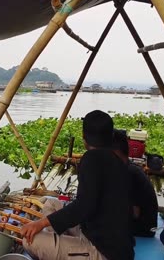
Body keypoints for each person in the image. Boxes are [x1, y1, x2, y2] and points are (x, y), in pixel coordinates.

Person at [21, 110, 134, 260]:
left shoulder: (91, 159)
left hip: (104, 251)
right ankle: (59, 248)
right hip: (97, 233)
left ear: (84, 137)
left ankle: (58, 249)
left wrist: (40, 224)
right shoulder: (117, 161)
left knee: (30, 241)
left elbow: (83, 207)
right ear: (111, 136)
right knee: (51, 204)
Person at [113, 130, 158, 237]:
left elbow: (134, 213)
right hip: (140, 224)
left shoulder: (128, 173)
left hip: (142, 229)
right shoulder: (129, 167)